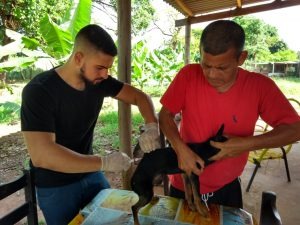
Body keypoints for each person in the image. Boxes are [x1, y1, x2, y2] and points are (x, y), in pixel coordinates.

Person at [21, 24, 160, 224]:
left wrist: (151, 126)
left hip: (91, 174)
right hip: (55, 185)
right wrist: (104, 162)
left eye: (108, 68)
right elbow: (43, 155)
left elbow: (140, 97)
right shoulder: (39, 91)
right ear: (79, 58)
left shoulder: (98, 82)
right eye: (100, 67)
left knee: (113, 219)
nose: (105, 74)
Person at [159, 20, 300, 209]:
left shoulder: (259, 87)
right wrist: (180, 149)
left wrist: (246, 144)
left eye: (222, 68)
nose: (211, 74)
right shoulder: (188, 75)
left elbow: (295, 129)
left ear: (241, 58)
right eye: (206, 65)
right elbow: (165, 114)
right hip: (184, 185)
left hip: (228, 187)